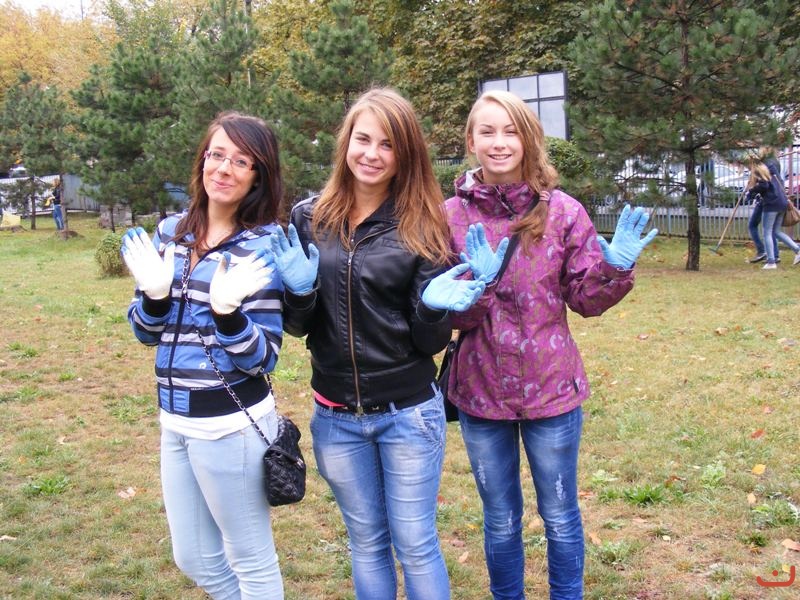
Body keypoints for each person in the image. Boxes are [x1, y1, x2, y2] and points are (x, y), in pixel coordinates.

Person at [441, 90, 657, 600]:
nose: (499, 142)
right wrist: (478, 289)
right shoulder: (447, 215)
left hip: (551, 389)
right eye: (487, 131)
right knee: (499, 518)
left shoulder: (563, 212)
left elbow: (585, 298)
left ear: (529, 139)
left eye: (511, 131)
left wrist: (614, 270)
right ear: (471, 141)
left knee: (559, 514)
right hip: (481, 390)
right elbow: (448, 315)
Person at [270, 88, 481, 600]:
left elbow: (429, 342)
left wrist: (433, 308)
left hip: (407, 413)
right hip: (336, 416)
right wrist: (299, 292)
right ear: (346, 142)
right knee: (365, 543)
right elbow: (298, 327)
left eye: (387, 145)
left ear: (404, 155)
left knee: (415, 543)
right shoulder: (308, 218)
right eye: (363, 139)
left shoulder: (422, 223)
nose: (372, 154)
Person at [122, 111, 286, 600]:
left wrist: (228, 315)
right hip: (174, 419)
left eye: (241, 161)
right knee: (192, 556)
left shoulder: (262, 247)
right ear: (202, 161)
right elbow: (145, 333)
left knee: (251, 560)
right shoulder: (171, 232)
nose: (224, 169)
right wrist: (154, 299)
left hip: (230, 425)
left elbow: (264, 358)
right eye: (217, 154)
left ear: (258, 176)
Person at [746, 160, 800, 269]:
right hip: (782, 204)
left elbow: (764, 186)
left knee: (767, 233)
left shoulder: (761, 174)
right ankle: (797, 250)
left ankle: (771, 262)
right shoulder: (773, 174)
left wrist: (751, 191)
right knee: (776, 231)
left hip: (771, 205)